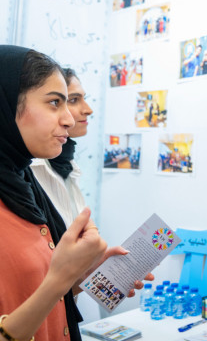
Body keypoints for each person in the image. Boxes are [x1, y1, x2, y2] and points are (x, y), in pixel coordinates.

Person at [0, 46, 150, 341]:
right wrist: (60, 279)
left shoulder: (23, 184)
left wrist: (81, 275)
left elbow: (31, 292)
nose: (69, 119)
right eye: (55, 102)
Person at [31, 69, 92, 227]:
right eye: (74, 100)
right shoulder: (28, 168)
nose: (88, 110)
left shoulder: (67, 163)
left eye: (84, 99)